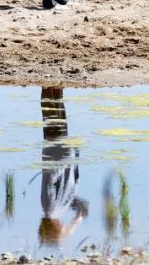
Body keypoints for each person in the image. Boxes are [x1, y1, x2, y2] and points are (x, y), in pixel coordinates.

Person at [37, 86, 89, 246]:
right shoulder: (55, 211)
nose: (63, 232)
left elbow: (52, 177)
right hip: (61, 151)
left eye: (60, 235)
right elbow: (75, 201)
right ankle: (54, 86)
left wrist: (64, 161)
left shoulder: (50, 208)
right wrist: (75, 223)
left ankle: (49, 84)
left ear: (53, 230)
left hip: (56, 148)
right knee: (56, 112)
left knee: (51, 112)